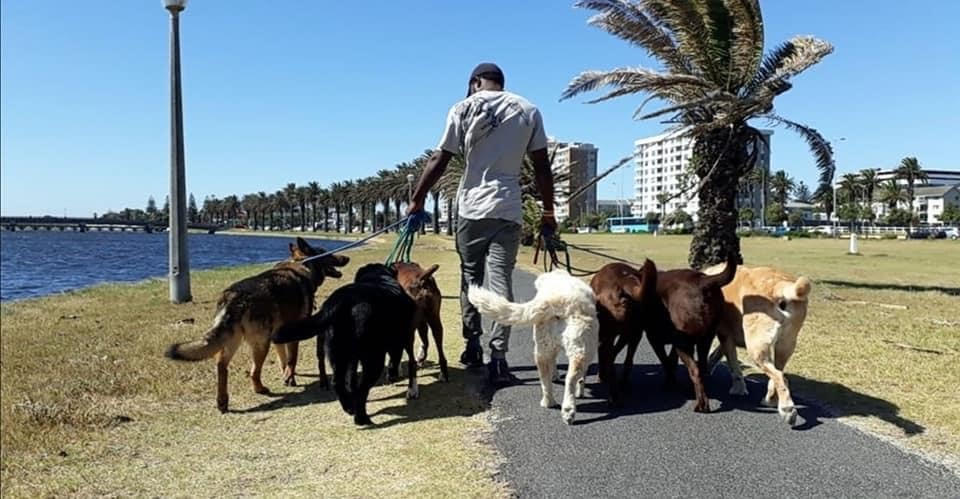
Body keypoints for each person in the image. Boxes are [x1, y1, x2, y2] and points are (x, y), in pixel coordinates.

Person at [407, 62, 557, 386]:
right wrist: (548, 213)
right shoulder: (529, 109)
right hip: (509, 209)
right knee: (501, 281)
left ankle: (472, 345)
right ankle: (499, 358)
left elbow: (439, 158)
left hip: (472, 209)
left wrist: (417, 199)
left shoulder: (463, 108)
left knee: (471, 278)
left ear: (475, 82)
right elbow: (542, 167)